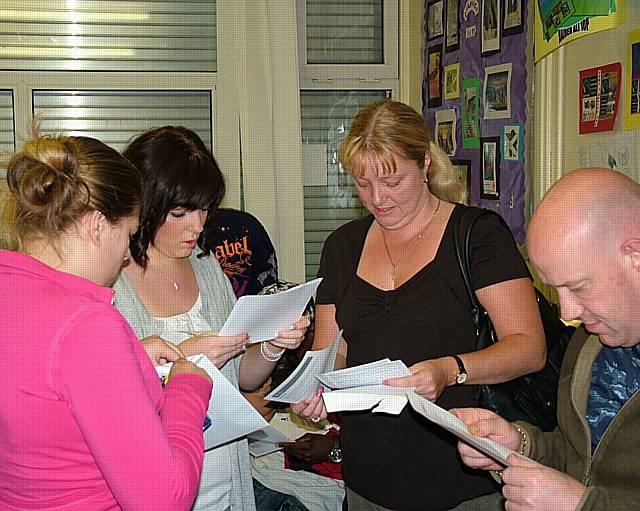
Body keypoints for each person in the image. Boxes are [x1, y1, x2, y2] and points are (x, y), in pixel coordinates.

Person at [293, 100, 546, 510]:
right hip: (368, 480)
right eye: (363, 183)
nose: (378, 198)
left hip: (463, 479)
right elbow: (333, 350)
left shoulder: (477, 236)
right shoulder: (342, 246)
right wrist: (316, 390)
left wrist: (451, 370)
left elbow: (530, 348)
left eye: (392, 182)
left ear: (425, 163)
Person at [0, 134, 212, 510]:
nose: (126, 258)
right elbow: (162, 501)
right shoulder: (86, 324)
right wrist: (187, 390)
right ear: (97, 226)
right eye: (128, 236)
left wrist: (129, 362)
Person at [112, 126, 309, 511]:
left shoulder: (206, 266)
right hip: (156, 485)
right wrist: (186, 357)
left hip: (225, 479)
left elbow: (242, 379)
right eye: (180, 213)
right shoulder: (112, 280)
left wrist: (270, 345)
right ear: (144, 203)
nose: (198, 226)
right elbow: (108, 404)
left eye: (204, 209)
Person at [455, 168, 640, 511]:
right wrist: (520, 445)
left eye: (579, 286)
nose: (568, 312)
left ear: (635, 256)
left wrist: (582, 505)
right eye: (556, 289)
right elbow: (579, 457)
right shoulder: (592, 340)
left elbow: (584, 495)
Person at [208, 207, 279, 298]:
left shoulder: (245, 224)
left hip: (254, 306)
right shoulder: (190, 241)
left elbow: (268, 285)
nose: (197, 226)